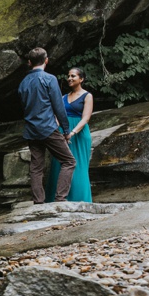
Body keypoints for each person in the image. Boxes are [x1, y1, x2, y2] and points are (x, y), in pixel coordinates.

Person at [17, 47, 76, 203]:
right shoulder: (49, 79)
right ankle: (60, 199)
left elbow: (24, 107)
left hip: (31, 130)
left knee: (36, 168)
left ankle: (38, 202)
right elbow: (59, 106)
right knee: (69, 161)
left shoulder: (23, 83)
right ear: (47, 60)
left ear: (29, 62)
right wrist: (66, 129)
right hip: (48, 127)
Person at [46, 67, 93, 202]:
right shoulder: (63, 97)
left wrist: (72, 132)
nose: (69, 78)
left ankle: (81, 199)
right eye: (68, 76)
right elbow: (56, 116)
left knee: (79, 167)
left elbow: (86, 118)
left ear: (81, 79)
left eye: (73, 76)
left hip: (79, 133)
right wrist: (55, 131)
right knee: (58, 165)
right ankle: (57, 198)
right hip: (62, 132)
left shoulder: (87, 96)